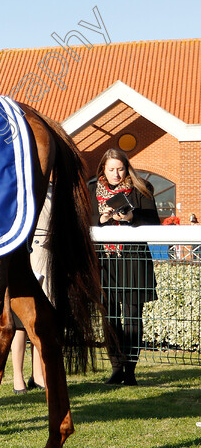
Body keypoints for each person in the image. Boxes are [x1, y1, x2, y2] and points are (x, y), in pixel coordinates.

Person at [89, 148, 159, 386]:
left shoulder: (142, 188)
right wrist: (102, 219)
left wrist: (131, 218)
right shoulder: (91, 190)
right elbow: (84, 221)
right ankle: (116, 367)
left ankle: (130, 370)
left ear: (126, 168)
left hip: (132, 260)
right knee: (109, 317)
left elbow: (153, 222)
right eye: (111, 169)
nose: (116, 174)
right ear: (103, 170)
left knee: (131, 317)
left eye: (120, 169)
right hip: (104, 262)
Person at [11, 185, 51, 394]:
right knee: (19, 324)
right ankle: (17, 377)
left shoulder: (53, 189)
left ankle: (38, 375)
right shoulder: (20, 187)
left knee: (41, 320)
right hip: (25, 255)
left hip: (48, 256)